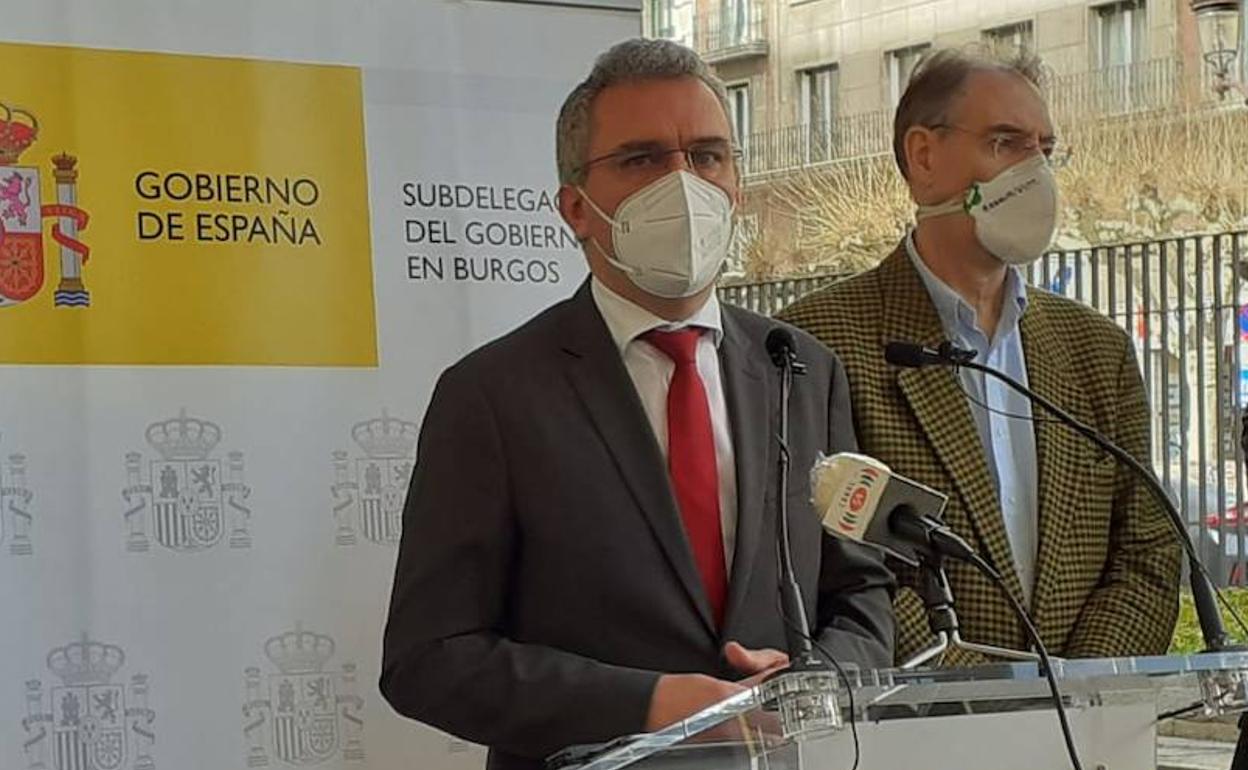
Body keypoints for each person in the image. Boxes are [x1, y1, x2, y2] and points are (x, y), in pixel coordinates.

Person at [380, 38, 895, 770]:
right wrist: (649, 705)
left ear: (738, 186)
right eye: (642, 158)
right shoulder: (491, 395)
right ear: (575, 209)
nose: (683, 184)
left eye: (708, 156)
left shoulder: (801, 369)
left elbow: (861, 595)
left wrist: (816, 683)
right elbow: (428, 659)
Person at [779, 47, 1181, 666]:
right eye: (1005, 143)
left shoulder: (1097, 349)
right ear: (923, 156)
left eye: (1044, 150)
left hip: (1089, 736)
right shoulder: (815, 342)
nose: (1035, 173)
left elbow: (1148, 555)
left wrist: (1074, 694)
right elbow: (839, 567)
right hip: (918, 736)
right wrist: (994, 698)